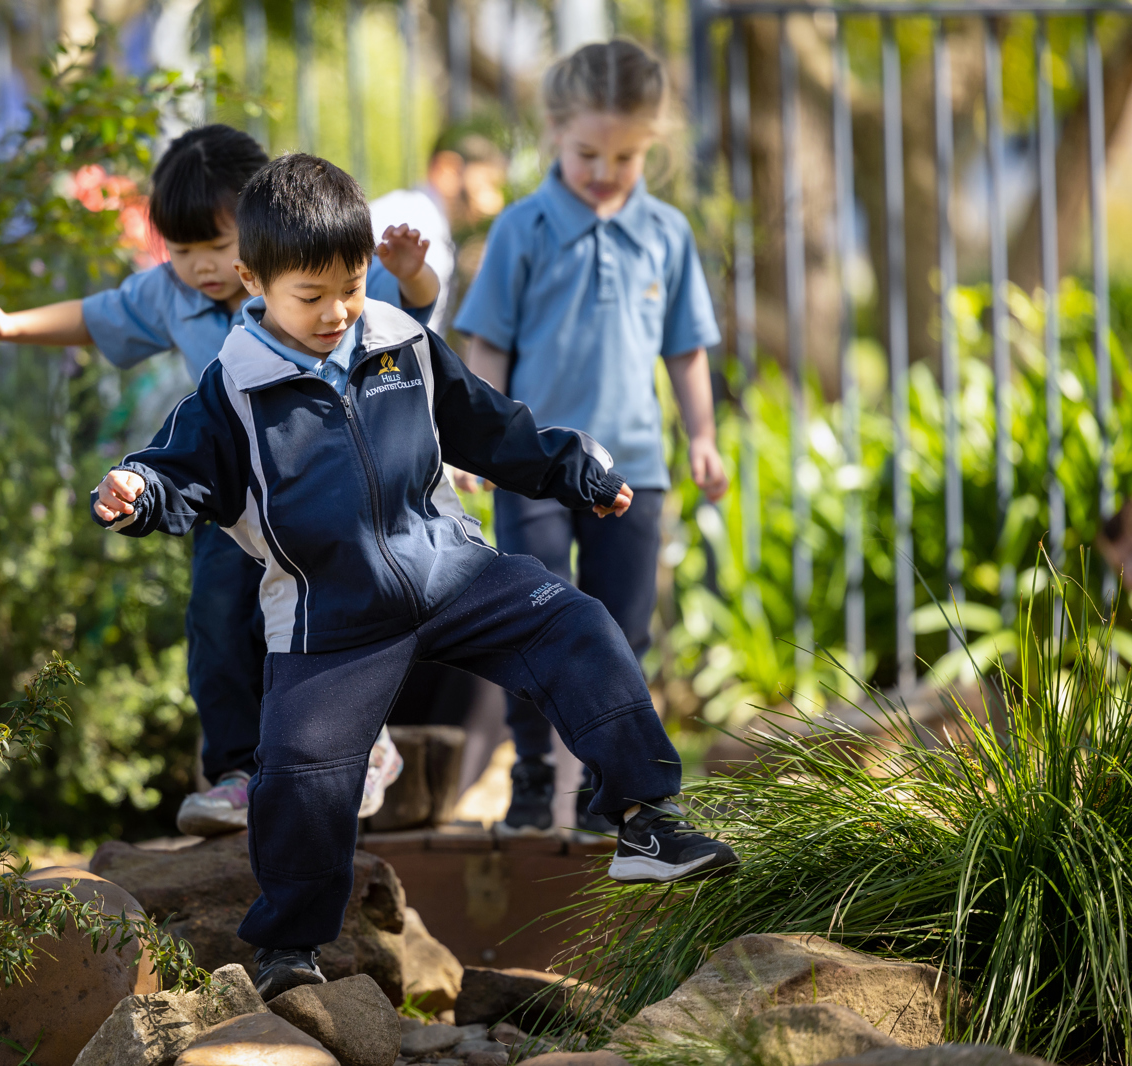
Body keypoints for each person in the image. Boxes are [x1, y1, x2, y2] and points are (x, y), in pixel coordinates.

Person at [89, 153, 739, 1000]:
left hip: (450, 569)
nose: (336, 312)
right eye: (310, 297)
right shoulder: (233, 390)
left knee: (575, 624)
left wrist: (569, 467)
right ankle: (290, 948)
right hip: (329, 615)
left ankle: (646, 820)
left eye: (351, 287)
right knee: (301, 774)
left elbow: (489, 428)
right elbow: (178, 475)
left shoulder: (401, 340)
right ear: (253, 280)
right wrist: (138, 493)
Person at [0, 125, 440, 835]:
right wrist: (8, 326)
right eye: (181, 251)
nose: (202, 267)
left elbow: (408, 305)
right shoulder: (170, 295)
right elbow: (96, 316)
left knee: (325, 619)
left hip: (324, 489)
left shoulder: (303, 269)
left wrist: (416, 274)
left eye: (217, 245)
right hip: (235, 495)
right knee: (218, 623)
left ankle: (365, 746)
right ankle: (238, 774)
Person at [452, 40, 729, 839]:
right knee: (531, 618)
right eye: (586, 154)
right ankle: (533, 773)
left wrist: (702, 435)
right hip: (534, 469)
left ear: (651, 146)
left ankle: (611, 793)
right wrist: (480, 443)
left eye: (625, 157)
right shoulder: (522, 228)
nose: (605, 172)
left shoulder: (667, 233)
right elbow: (488, 345)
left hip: (634, 469)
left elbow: (686, 348)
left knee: (623, 632)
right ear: (554, 134)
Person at [367, 129, 510, 333]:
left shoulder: (415, 216)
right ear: (448, 170)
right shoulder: (417, 223)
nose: (495, 203)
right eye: (488, 183)